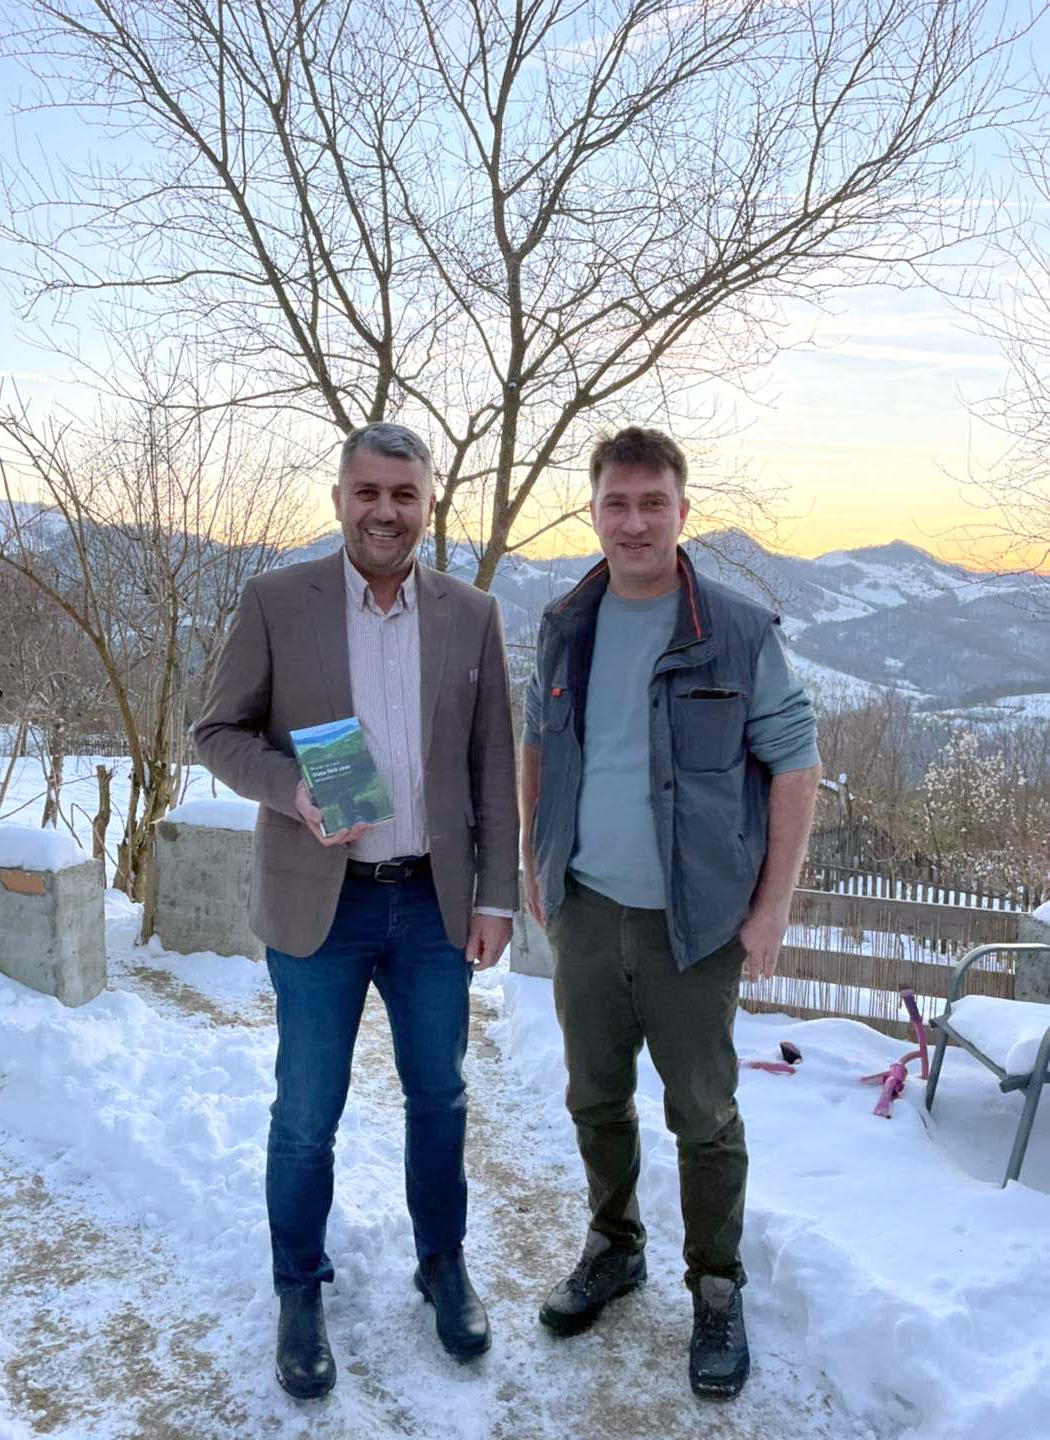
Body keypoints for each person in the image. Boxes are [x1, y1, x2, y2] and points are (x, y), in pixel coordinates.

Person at [194, 422, 518, 1399]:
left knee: (440, 1098)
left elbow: (494, 766)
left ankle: (442, 1264)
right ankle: (299, 1290)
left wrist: (496, 895)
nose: (385, 511)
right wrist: (292, 788)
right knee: (305, 1114)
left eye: (404, 494)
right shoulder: (276, 600)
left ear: (429, 504)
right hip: (319, 907)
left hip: (431, 904)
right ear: (339, 499)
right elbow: (217, 731)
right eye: (368, 492)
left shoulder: (471, 614)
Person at [520, 426, 821, 1400]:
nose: (635, 521)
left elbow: (795, 763)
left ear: (683, 512)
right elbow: (538, 740)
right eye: (617, 502)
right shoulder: (566, 625)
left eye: (653, 502)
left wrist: (772, 905)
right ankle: (614, 1246)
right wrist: (535, 855)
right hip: (585, 909)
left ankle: (716, 1284)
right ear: (593, 512)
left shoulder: (736, 630)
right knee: (593, 1096)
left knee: (702, 1111)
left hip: (694, 926)